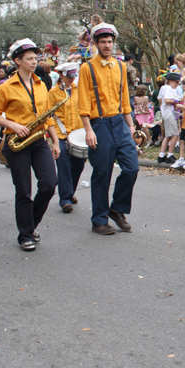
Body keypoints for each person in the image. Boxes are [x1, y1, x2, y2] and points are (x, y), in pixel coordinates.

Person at [0, 39, 60, 252]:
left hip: (38, 140)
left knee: (49, 184)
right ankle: (25, 235)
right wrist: (13, 125)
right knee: (24, 190)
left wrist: (55, 140)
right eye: (29, 58)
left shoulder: (40, 84)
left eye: (35, 57)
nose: (34, 61)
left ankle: (31, 224)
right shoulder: (6, 87)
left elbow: (47, 115)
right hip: (16, 141)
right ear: (17, 61)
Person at [78, 23, 140, 236]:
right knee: (102, 174)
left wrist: (130, 125)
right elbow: (83, 102)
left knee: (132, 167)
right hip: (99, 124)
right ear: (95, 44)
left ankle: (117, 209)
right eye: (102, 42)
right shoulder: (87, 68)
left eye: (110, 42)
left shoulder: (120, 67)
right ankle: (99, 220)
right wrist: (88, 129)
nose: (107, 45)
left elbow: (125, 100)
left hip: (120, 124)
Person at [51, 63, 86, 214]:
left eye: (73, 76)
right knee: (64, 166)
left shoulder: (80, 90)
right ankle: (65, 199)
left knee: (78, 166)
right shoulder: (53, 93)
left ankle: (70, 192)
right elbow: (49, 116)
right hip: (61, 134)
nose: (71, 79)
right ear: (61, 75)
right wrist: (53, 139)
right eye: (68, 76)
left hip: (78, 134)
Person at [157, 72, 182, 166]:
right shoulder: (168, 88)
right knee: (175, 134)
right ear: (170, 81)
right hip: (169, 113)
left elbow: (160, 99)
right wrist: (175, 101)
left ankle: (162, 155)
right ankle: (170, 155)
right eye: (176, 82)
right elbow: (167, 100)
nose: (177, 84)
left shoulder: (163, 88)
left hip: (166, 113)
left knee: (168, 135)